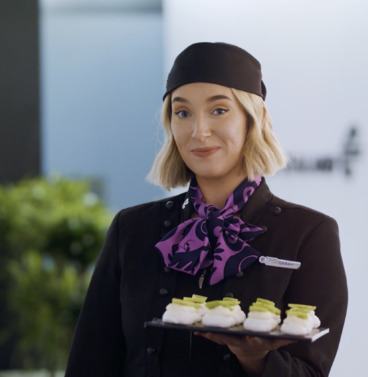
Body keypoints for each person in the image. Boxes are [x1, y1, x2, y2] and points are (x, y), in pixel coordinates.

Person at [64, 42, 347, 377]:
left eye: (219, 110)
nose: (199, 131)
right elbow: (89, 363)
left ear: (254, 120)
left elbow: (311, 372)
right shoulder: (132, 228)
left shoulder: (308, 234)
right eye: (183, 113)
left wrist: (256, 359)